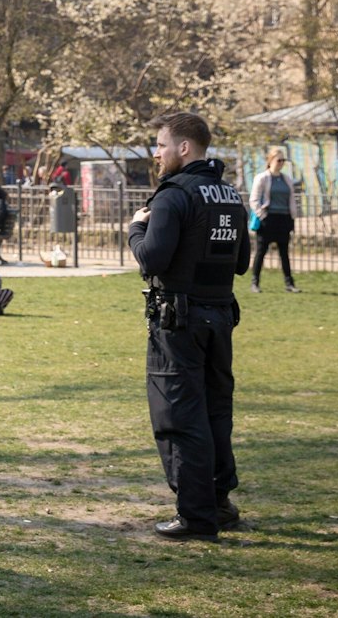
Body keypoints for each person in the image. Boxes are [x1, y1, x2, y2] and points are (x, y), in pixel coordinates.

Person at [128, 110, 250, 540]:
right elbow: (241, 262)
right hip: (219, 317)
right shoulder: (230, 196)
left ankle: (195, 515)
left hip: (177, 321)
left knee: (179, 415)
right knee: (216, 411)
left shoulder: (172, 195)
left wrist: (135, 229)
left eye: (160, 145)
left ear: (184, 147)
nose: (156, 154)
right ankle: (218, 503)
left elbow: (151, 259)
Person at [246, 148, 300, 294]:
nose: (281, 163)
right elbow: (254, 199)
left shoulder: (286, 179)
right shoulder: (262, 178)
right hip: (268, 219)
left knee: (284, 253)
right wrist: (262, 215)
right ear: (270, 161)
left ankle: (289, 283)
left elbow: (291, 200)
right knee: (261, 252)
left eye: (283, 160)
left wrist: (292, 217)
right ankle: (255, 282)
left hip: (284, 219)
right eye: (279, 160)